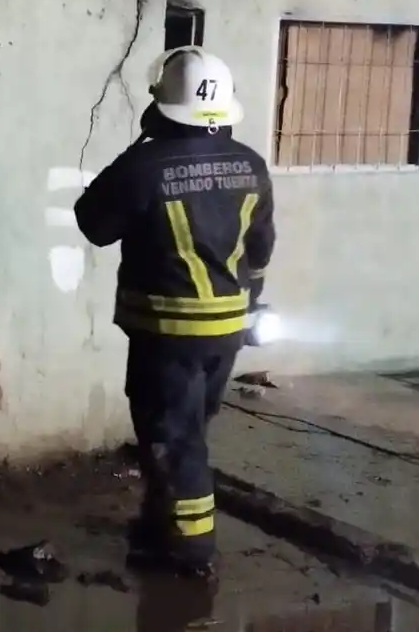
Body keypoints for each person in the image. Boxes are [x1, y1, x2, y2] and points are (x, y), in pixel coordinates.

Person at [73, 47, 275, 579]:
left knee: (172, 439)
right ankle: (160, 522)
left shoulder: (145, 165)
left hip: (167, 330)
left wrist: (136, 151)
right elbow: (260, 246)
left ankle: (190, 551)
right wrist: (251, 301)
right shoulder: (250, 165)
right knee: (189, 431)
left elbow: (93, 223)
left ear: (161, 105)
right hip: (228, 328)